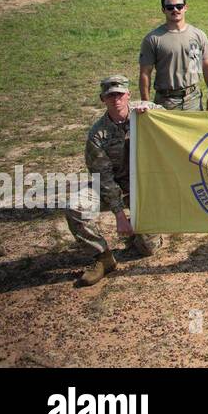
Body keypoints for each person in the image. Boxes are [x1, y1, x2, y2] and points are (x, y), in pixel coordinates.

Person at [66, 75, 160, 286]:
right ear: (102, 99)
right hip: (112, 185)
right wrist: (119, 215)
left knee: (148, 249)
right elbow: (103, 177)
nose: (115, 100)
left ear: (128, 95)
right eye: (110, 96)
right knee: (75, 207)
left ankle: (139, 234)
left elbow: (169, 119)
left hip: (144, 186)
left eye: (119, 94)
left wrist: (152, 114)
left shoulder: (144, 112)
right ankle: (102, 257)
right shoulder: (97, 134)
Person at [139, 0, 208, 110]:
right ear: (163, 10)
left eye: (179, 6)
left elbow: (207, 65)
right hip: (166, 101)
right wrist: (145, 102)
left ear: (185, 8)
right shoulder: (152, 39)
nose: (175, 10)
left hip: (193, 99)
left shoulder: (198, 35)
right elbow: (145, 73)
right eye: (170, 7)